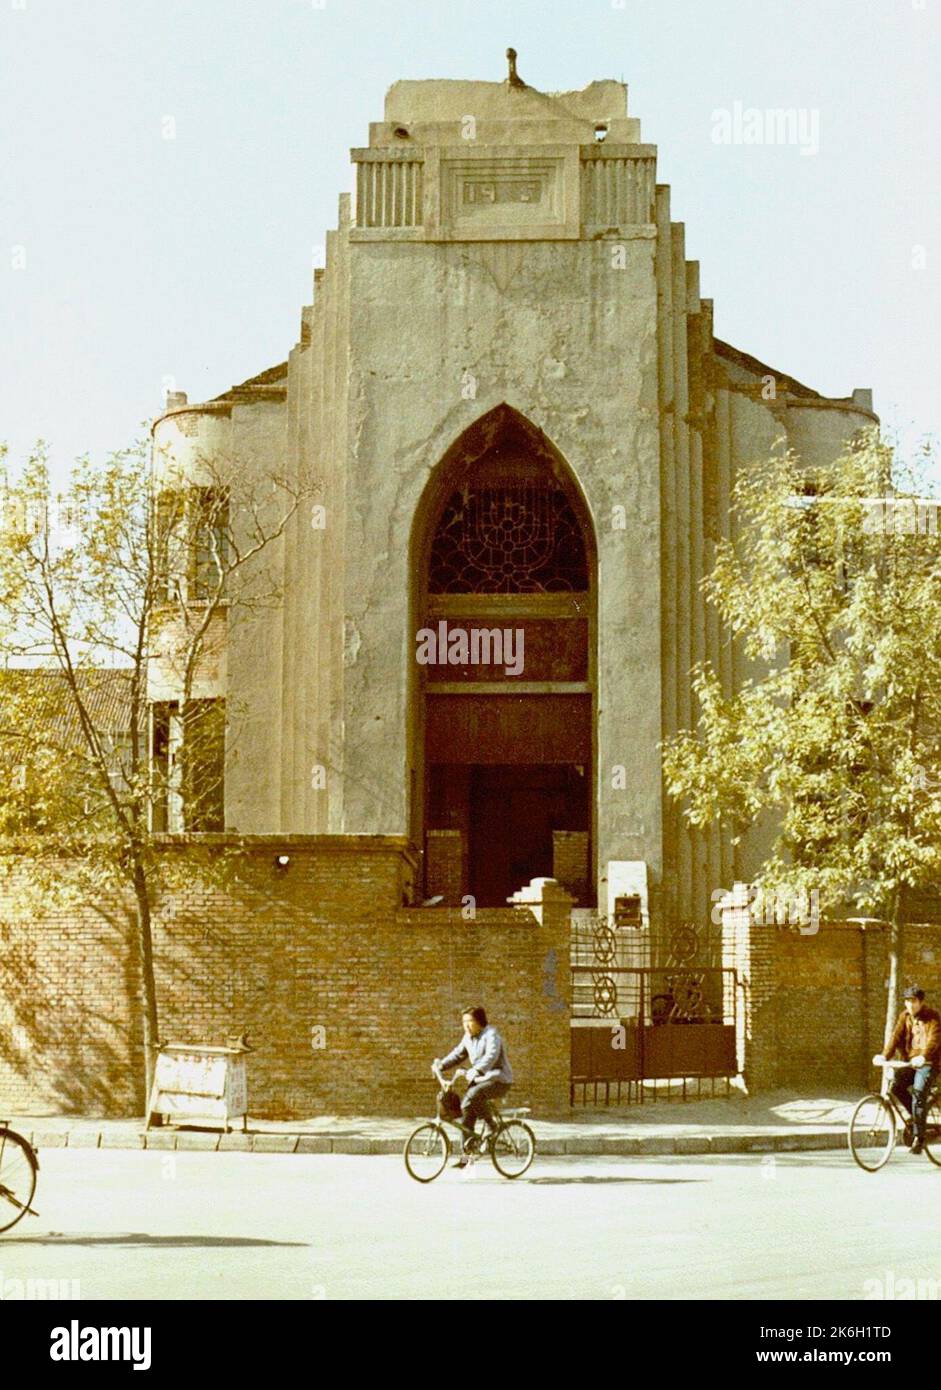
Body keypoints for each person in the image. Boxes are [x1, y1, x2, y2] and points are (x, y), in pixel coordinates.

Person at [433, 1006, 514, 1168]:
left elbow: (491, 1055)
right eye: (464, 1022)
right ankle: (465, 1160)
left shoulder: (491, 1035)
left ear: (480, 1021)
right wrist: (441, 1065)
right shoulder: (468, 1037)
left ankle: (492, 1126)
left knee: (472, 1096)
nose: (466, 1025)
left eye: (469, 1021)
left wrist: (477, 1070)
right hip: (481, 1080)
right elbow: (458, 1054)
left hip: (499, 1079)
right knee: (466, 1115)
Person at [878, 983, 941, 1154]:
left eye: (913, 1001)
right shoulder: (904, 1017)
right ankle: (915, 1119)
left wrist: (924, 1056)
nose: (909, 1005)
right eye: (907, 1001)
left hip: (928, 1064)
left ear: (921, 1002)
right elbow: (895, 1037)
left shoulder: (932, 1017)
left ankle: (919, 1139)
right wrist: (884, 1055)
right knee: (896, 1086)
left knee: (919, 1092)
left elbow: (934, 1040)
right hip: (911, 1063)